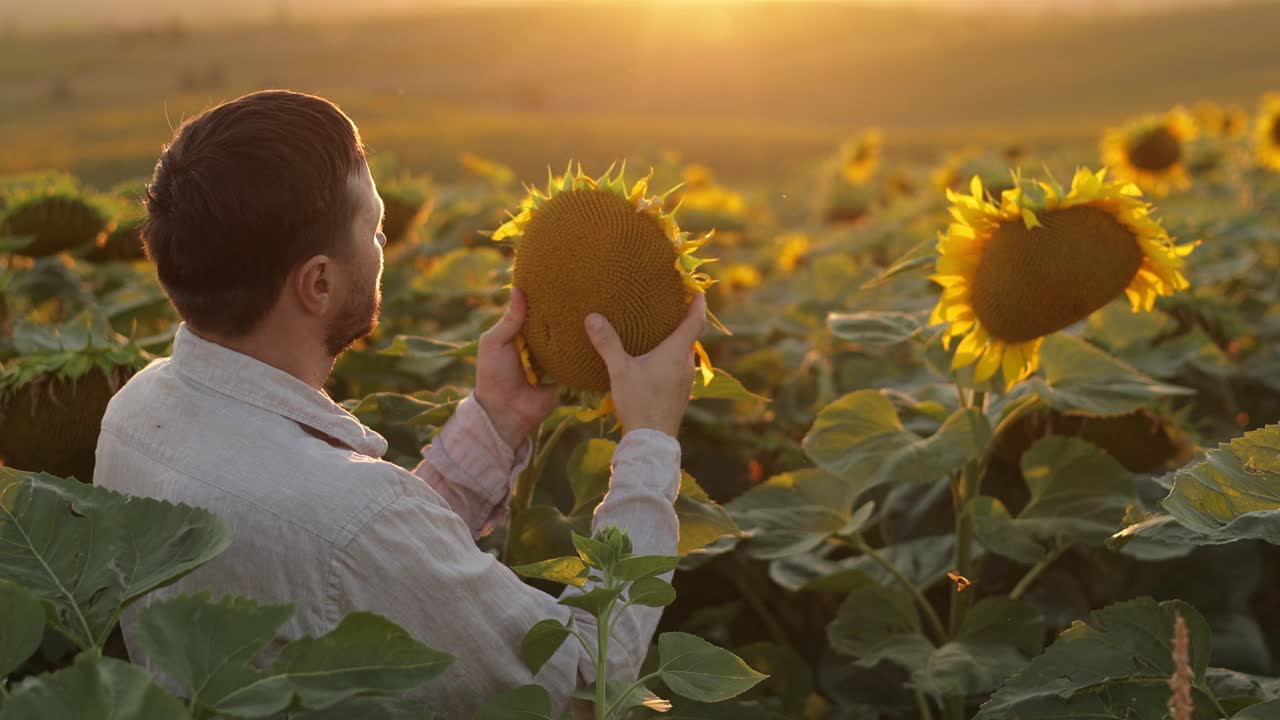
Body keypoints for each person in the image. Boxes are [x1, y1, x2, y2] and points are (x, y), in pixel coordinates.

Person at [93, 89, 706, 718]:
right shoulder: (353, 523)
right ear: (320, 282)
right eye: (376, 229)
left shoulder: (132, 415)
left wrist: (497, 420)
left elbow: (363, 574)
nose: (386, 248)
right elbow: (580, 683)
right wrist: (651, 440)